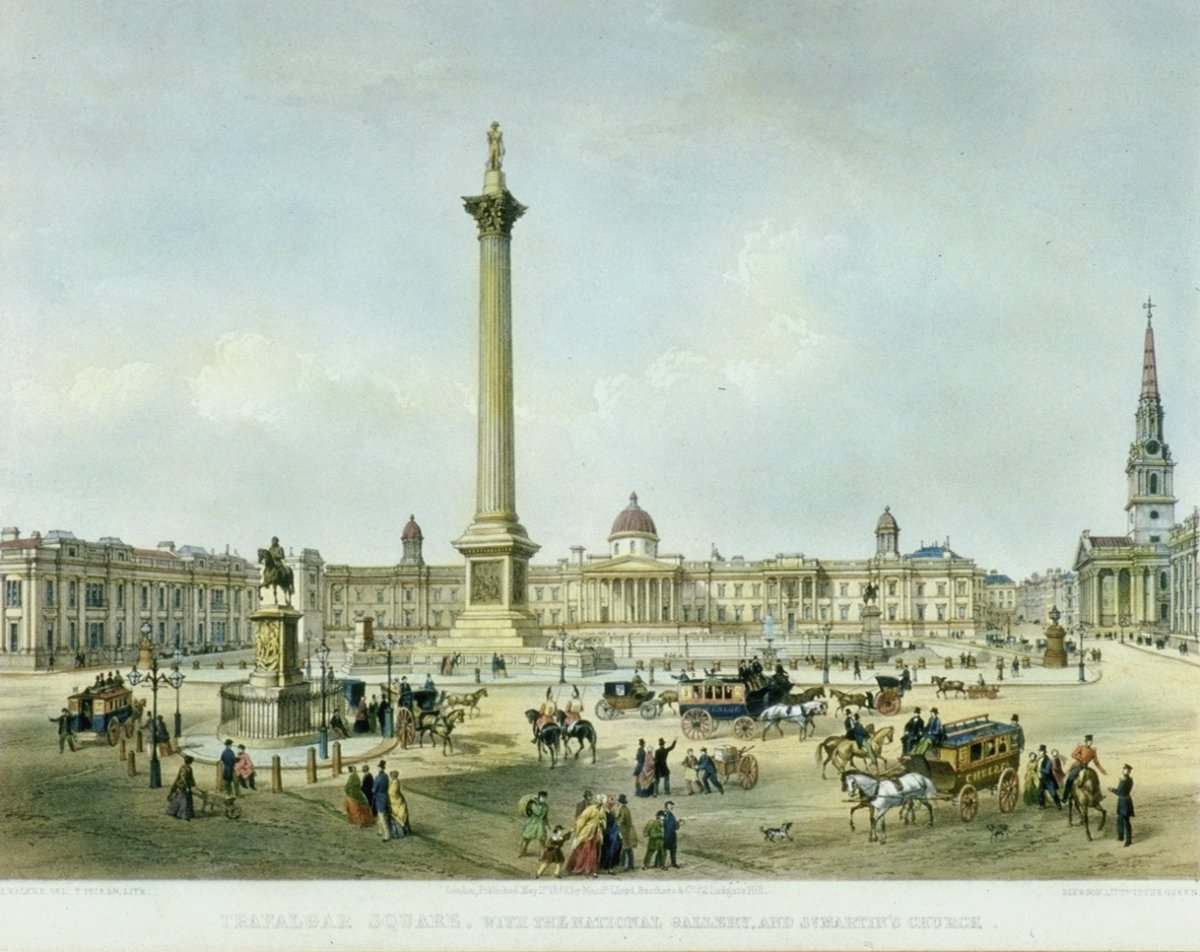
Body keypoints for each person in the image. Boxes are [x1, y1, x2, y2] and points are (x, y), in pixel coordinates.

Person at [566, 797, 605, 877]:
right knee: (585, 848)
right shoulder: (590, 809)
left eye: (600, 802)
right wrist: (578, 830)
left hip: (596, 832)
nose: (598, 803)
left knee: (594, 850)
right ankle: (580, 867)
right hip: (587, 831)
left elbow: (603, 820)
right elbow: (582, 820)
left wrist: (600, 823)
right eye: (597, 802)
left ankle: (591, 869)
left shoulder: (601, 810)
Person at [1063, 734, 1107, 802]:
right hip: (1078, 766)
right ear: (1086, 741)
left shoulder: (1093, 751)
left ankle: (1099, 796)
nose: (1091, 743)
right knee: (1070, 779)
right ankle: (1065, 797)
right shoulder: (1081, 747)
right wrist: (1080, 759)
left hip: (1086, 767)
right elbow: (1073, 754)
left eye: (1091, 741)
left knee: (1095, 778)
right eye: (1089, 741)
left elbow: (1096, 763)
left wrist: (1102, 771)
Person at [165, 755, 196, 821]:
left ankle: (173, 811)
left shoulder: (183, 766)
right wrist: (187, 787)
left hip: (181, 785)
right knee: (185, 801)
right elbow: (183, 777)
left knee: (179, 799)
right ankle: (183, 815)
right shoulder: (188, 768)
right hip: (184, 786)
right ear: (190, 761)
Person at [520, 791, 549, 857]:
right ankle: (522, 852)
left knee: (542, 841)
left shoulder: (546, 806)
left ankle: (542, 856)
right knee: (526, 839)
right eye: (542, 797)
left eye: (544, 797)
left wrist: (547, 824)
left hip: (540, 824)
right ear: (539, 797)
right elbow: (538, 812)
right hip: (532, 823)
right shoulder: (533, 804)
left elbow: (545, 816)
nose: (543, 799)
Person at [1111, 764, 1134, 846]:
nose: (1124, 771)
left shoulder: (1124, 781)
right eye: (1124, 769)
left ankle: (1128, 840)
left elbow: (1119, 792)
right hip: (1125, 800)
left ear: (1128, 772)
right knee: (1120, 819)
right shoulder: (1130, 780)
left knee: (1125, 821)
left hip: (1123, 801)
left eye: (1126, 770)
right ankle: (1121, 837)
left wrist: (1111, 789)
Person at [598, 795, 622, 873]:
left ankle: (610, 866)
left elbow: (615, 822)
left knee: (614, 848)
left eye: (613, 800)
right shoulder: (604, 810)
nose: (613, 802)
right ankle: (606, 866)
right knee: (607, 849)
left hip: (613, 832)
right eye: (611, 800)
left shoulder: (613, 810)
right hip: (607, 832)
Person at [615, 794, 638, 871]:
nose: (617, 803)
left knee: (625, 848)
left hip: (625, 831)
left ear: (620, 802)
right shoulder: (625, 809)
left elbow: (620, 820)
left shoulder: (623, 810)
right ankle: (630, 866)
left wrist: (615, 823)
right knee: (628, 849)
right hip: (628, 830)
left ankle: (623, 864)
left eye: (618, 801)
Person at [1037, 744, 1062, 809]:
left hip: (1048, 780)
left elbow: (1047, 771)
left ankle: (1058, 804)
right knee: (1040, 792)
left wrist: (1040, 769)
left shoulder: (1048, 761)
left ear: (1045, 752)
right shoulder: (1039, 760)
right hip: (1042, 779)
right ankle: (1042, 805)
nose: (1041, 753)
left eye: (1042, 751)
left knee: (1053, 793)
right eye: (1040, 751)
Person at [388, 771, 410, 838]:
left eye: (392, 776)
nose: (391, 777)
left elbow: (393, 793)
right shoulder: (393, 782)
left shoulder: (395, 783)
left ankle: (400, 833)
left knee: (399, 817)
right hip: (396, 801)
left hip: (397, 802)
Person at [373, 764, 392, 841]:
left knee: (381, 816)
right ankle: (380, 830)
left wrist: (373, 791)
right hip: (385, 796)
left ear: (381, 768)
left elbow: (374, 789)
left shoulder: (378, 778)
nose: (377, 768)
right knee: (380, 815)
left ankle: (387, 835)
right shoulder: (386, 776)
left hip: (379, 798)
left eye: (378, 767)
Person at [662, 801, 683, 869]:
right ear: (666, 806)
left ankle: (673, 863)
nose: (672, 807)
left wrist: (678, 823)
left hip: (670, 835)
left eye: (672, 806)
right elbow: (673, 826)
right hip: (667, 835)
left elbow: (674, 825)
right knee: (664, 851)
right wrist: (679, 824)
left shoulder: (669, 814)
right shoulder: (667, 815)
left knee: (672, 850)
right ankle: (664, 864)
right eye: (670, 806)